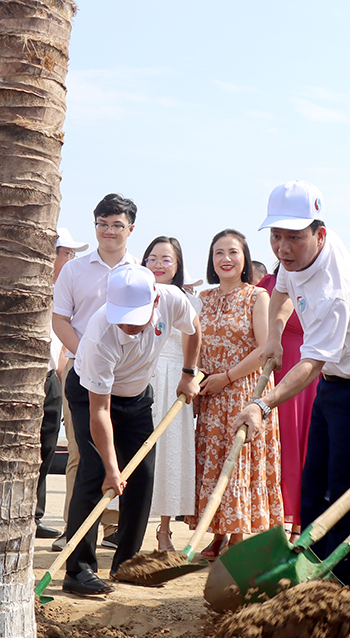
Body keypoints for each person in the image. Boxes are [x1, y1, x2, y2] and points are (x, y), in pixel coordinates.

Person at [236, 181, 350, 596]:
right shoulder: (295, 260)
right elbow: (283, 292)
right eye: (276, 236)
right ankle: (309, 575)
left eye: (294, 237)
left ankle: (344, 589)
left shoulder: (332, 290)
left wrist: (262, 403)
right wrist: (273, 335)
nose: (283, 247)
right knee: (314, 489)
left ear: (319, 234)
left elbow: (310, 364)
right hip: (334, 382)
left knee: (345, 493)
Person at [63, 265, 201, 595]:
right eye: (121, 315)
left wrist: (188, 373)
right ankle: (78, 570)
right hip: (91, 397)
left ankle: (126, 564)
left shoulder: (171, 300)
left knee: (142, 475)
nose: (127, 324)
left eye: (135, 317)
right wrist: (112, 470)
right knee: (96, 473)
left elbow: (193, 328)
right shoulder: (100, 334)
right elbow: (100, 411)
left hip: (138, 396)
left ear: (154, 301)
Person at [52, 194, 140, 549]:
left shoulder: (139, 271)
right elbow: (60, 320)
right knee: (81, 452)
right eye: (102, 224)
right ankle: (73, 528)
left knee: (121, 452)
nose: (109, 231)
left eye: (117, 225)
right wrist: (87, 355)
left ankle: (113, 528)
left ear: (130, 229)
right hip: (81, 371)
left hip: (128, 374)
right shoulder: (74, 269)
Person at [191, 229, 281, 559]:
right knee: (214, 464)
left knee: (240, 463)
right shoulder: (203, 298)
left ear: (244, 258)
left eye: (233, 252)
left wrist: (226, 377)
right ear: (211, 261)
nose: (226, 259)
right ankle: (216, 534)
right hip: (211, 394)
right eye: (219, 253)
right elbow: (194, 344)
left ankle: (238, 536)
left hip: (244, 390)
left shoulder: (257, 296)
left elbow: (263, 349)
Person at [142, 235, 199, 551]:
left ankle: (164, 532)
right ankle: (127, 530)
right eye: (152, 258)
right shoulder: (135, 293)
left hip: (174, 383)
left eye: (166, 259)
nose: (159, 265)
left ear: (177, 266)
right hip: (139, 380)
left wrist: (190, 378)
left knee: (170, 455)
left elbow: (194, 341)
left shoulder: (185, 299)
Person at [256, 258, 317, 532]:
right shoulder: (266, 285)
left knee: (305, 444)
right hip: (274, 369)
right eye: (279, 239)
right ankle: (276, 521)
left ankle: (300, 523)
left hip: (309, 370)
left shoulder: (318, 281)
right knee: (277, 448)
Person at [39, 227, 87, 546]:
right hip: (39, 375)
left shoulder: (66, 286)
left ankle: (35, 515)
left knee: (45, 448)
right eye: (67, 252)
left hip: (56, 374)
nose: (71, 258)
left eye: (72, 253)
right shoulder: (37, 285)